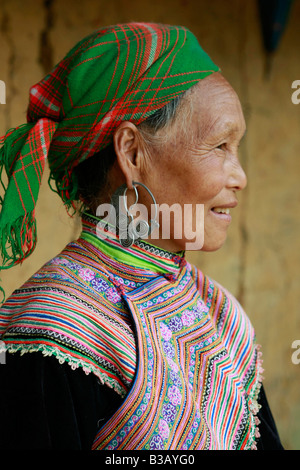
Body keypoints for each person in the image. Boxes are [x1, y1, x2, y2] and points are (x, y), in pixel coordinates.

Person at [0, 22, 283, 450]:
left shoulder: (220, 313)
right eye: (220, 146)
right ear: (132, 153)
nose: (240, 176)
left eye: (238, 148)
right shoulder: (49, 333)